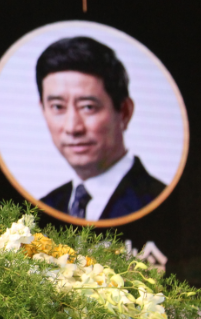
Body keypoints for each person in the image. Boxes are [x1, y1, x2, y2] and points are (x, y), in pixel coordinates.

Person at [35, 36, 164, 222]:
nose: (72, 127)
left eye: (88, 107)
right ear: (43, 110)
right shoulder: (41, 211)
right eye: (58, 107)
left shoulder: (161, 203)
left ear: (125, 112)